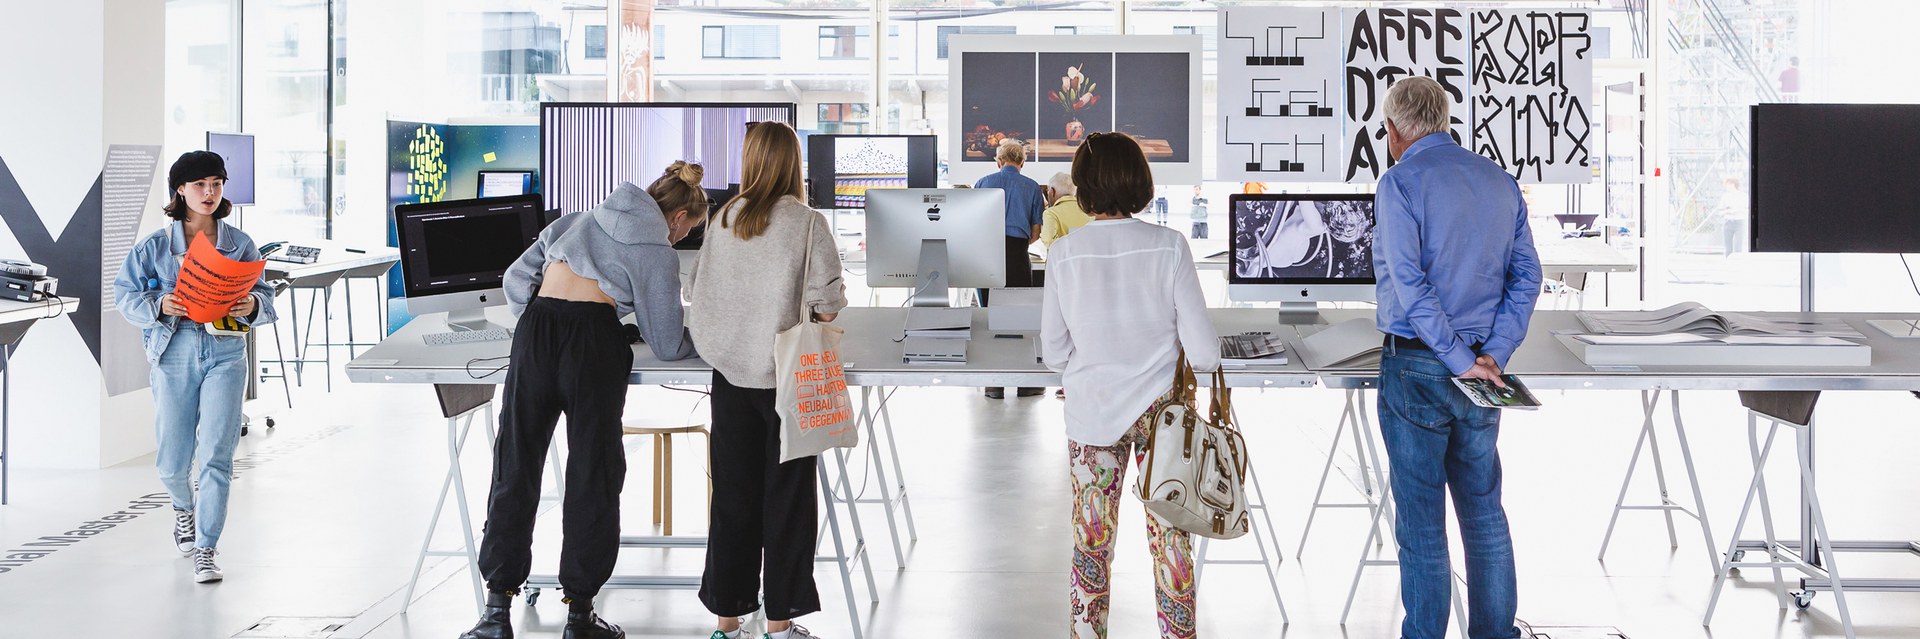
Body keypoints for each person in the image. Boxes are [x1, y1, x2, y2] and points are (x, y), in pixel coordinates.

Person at [460, 163, 709, 639]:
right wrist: (700, 338)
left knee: (515, 464)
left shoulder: (576, 220)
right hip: (594, 344)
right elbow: (666, 342)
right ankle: (579, 616)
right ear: (678, 218)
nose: (681, 238)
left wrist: (542, 318)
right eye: (688, 231)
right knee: (593, 472)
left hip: (536, 331)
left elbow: (516, 278)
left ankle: (495, 613)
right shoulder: (656, 250)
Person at [1372, 76, 1542, 639]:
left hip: (1418, 366)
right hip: (1482, 377)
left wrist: (1455, 356)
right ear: (1445, 122)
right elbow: (1528, 276)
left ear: (1394, 130)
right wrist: (1491, 354)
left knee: (1422, 524)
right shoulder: (1499, 181)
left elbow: (1409, 282)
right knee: (1484, 514)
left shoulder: (1399, 182)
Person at [1040, 132, 1218, 639]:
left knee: (1091, 549)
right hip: (1165, 420)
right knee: (1172, 546)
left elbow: (1055, 354)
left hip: (1093, 415)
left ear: (1083, 187)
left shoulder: (1064, 254)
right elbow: (1205, 355)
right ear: (1141, 181)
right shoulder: (1171, 246)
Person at [688, 121, 847, 639]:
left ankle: (727, 621)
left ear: (750, 160)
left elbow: (697, 290)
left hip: (730, 376)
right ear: (793, 163)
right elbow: (828, 305)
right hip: (788, 377)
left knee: (732, 498)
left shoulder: (723, 217)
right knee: (788, 503)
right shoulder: (807, 222)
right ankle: (779, 624)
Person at [113, 151, 278, 584]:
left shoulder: (240, 244)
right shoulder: (154, 247)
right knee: (172, 461)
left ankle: (206, 548)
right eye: (200, 184)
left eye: (216, 184)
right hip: (174, 350)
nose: (209, 193)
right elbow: (124, 295)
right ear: (180, 190)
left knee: (217, 456)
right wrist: (158, 305)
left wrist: (252, 303)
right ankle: (183, 509)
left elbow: (266, 297)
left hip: (226, 351)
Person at [973, 138, 1046, 399]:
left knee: (990, 317)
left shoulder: (982, 183)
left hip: (987, 254)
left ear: (999, 162)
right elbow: (1036, 233)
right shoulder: (1032, 187)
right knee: (1019, 320)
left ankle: (994, 384)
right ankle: (1025, 384)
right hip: (1017, 253)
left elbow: (972, 223)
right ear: (1022, 163)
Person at [1038, 171, 1089, 252]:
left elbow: (1048, 240)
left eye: (1048, 191)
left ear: (1052, 191)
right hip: (1086, 257)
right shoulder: (1087, 211)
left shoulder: (1051, 213)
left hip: (1063, 258)